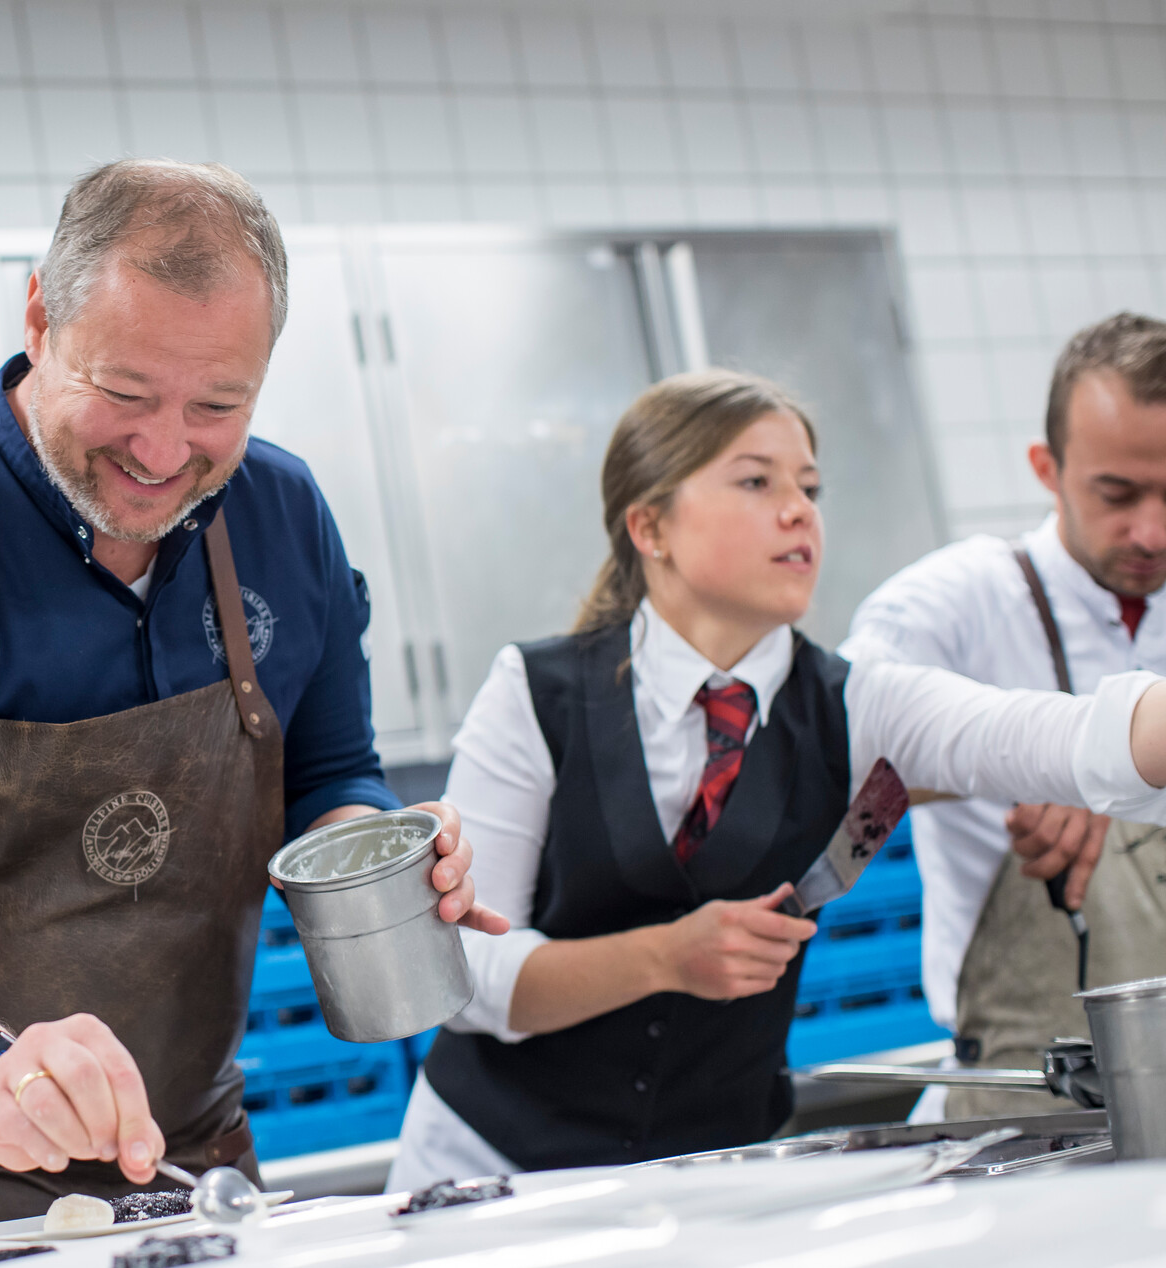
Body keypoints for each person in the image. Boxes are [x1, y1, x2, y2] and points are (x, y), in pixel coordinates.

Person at [0, 159, 500, 1253]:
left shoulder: (282, 517)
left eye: (215, 406)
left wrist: (381, 852)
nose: (159, 452)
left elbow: (330, 778)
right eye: (125, 394)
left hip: (185, 1171)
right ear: (41, 317)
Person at [391, 368, 1166, 1185]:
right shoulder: (536, 692)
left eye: (810, 485)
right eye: (757, 481)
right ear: (650, 525)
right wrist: (665, 957)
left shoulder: (861, 702)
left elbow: (1063, 733)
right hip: (489, 1168)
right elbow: (470, 973)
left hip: (717, 1172)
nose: (800, 509)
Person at [843, 312, 1166, 1119]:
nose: (1151, 530)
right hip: (1039, 1088)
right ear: (1046, 468)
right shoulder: (955, 603)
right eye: (1117, 494)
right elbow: (828, 774)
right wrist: (1051, 763)